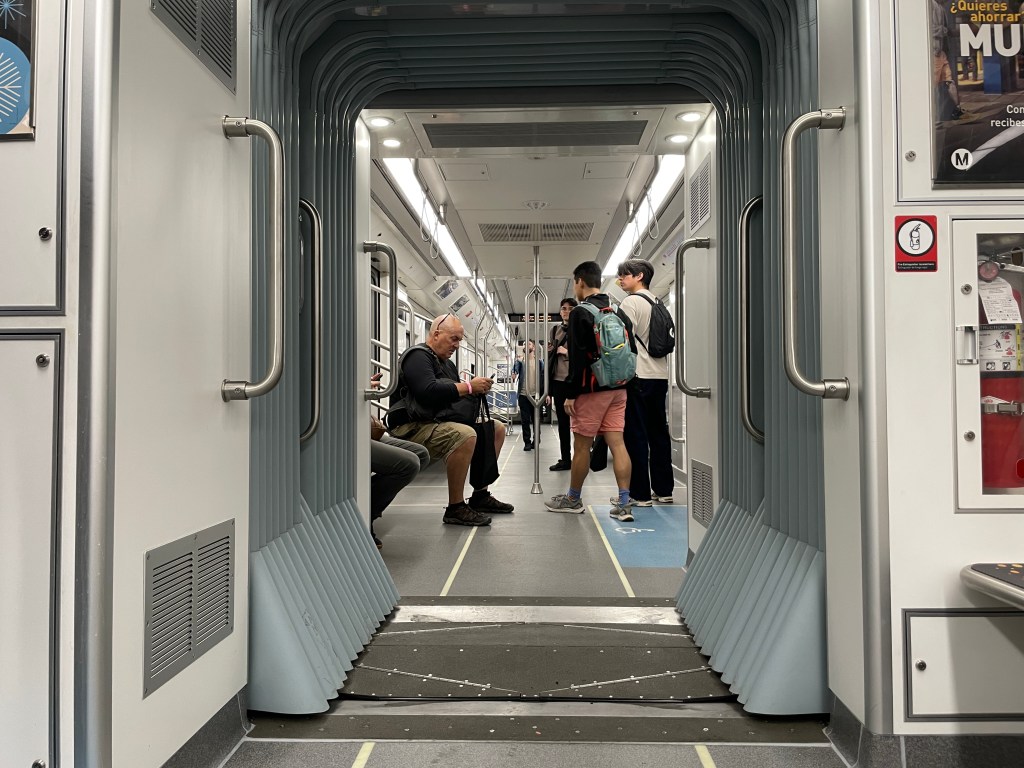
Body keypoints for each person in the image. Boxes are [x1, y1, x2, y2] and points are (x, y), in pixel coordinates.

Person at [387, 314, 514, 526]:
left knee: (496, 429)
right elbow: (427, 391)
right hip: (411, 425)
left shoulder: (447, 364)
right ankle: (455, 507)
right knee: (465, 434)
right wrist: (469, 387)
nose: (456, 345)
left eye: (459, 340)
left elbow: (452, 396)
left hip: (436, 420)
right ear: (436, 334)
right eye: (453, 339)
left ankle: (480, 495)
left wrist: (475, 390)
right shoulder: (417, 357)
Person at [544, 261, 637, 522]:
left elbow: (578, 358)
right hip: (619, 388)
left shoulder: (580, 313)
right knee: (618, 443)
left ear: (580, 282)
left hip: (592, 391)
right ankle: (624, 502)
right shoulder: (617, 310)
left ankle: (573, 499)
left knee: (582, 446)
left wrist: (571, 394)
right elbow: (631, 349)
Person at [615, 258, 674, 507]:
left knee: (636, 435)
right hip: (660, 376)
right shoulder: (658, 302)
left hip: (638, 376)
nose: (620, 279)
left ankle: (640, 494)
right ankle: (664, 489)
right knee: (659, 433)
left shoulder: (631, 303)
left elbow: (620, 342)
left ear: (639, 276)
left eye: (625, 275)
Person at [369, 414, 429, 548]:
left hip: (361, 428)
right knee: (409, 465)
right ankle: (366, 516)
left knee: (421, 455)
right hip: (346, 434)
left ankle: (366, 505)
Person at [547, 297, 577, 471]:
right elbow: (551, 358)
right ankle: (565, 459)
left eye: (570, 309)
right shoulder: (554, 330)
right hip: (558, 381)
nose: (566, 312)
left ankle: (582, 456)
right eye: (564, 308)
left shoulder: (580, 329)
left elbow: (586, 354)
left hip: (575, 381)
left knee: (580, 421)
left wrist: (567, 352)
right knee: (563, 423)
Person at [512, 340, 543, 451]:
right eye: (524, 344)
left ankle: (536, 440)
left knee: (536, 420)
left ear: (533, 348)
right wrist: (514, 374)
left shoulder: (539, 362)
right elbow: (515, 370)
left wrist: (547, 394)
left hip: (536, 396)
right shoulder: (520, 361)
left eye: (529, 344)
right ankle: (527, 442)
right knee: (525, 420)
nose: (526, 346)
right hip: (523, 395)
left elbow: (543, 378)